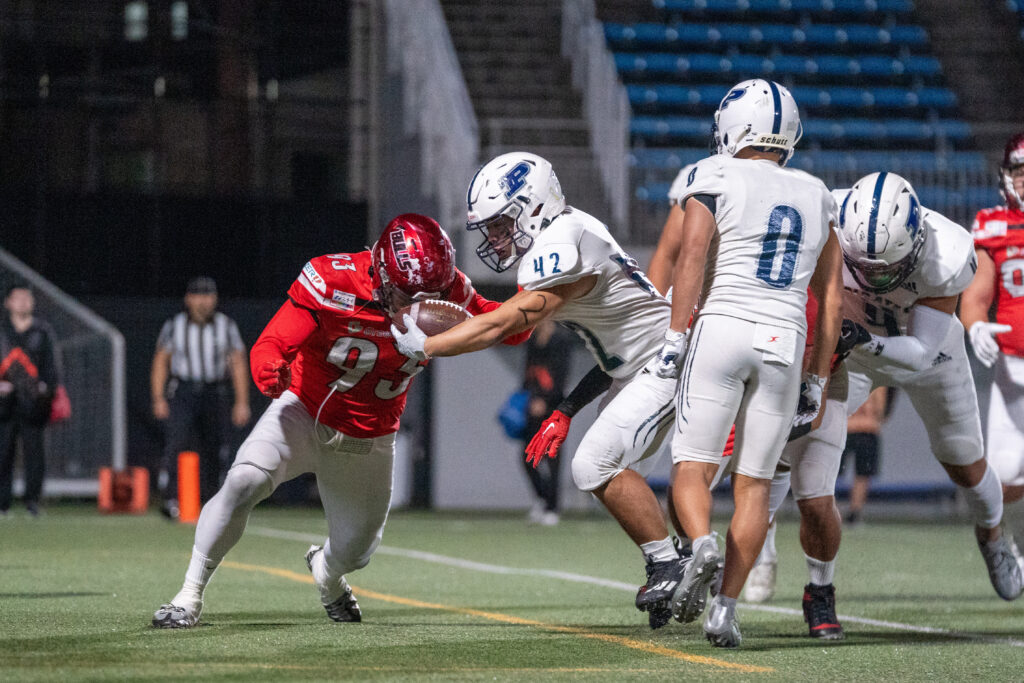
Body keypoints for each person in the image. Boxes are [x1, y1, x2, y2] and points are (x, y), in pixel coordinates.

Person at [152, 214, 527, 628]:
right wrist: (269, 365)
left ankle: (328, 575)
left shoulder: (450, 287)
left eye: (430, 296)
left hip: (370, 436)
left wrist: (535, 284)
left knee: (356, 552)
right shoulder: (333, 279)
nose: (417, 307)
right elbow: (272, 343)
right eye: (406, 295)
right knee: (244, 480)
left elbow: (513, 331)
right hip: (304, 410)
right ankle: (188, 595)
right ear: (381, 270)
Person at [393, 151, 690, 631]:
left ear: (532, 205)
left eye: (500, 224)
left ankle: (671, 565)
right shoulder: (571, 232)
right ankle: (677, 559)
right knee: (620, 478)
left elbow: (504, 323)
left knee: (592, 465)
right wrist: (567, 409)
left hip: (664, 362)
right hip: (640, 366)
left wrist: (428, 345)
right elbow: (615, 355)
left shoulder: (561, 241)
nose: (494, 238)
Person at [746, 171, 1024, 636]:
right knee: (792, 446)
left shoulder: (947, 252)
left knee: (965, 465)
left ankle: (993, 536)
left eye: (885, 268)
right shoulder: (824, 216)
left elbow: (919, 353)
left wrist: (862, 340)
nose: (875, 277)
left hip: (928, 354)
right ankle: (762, 551)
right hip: (852, 354)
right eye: (864, 267)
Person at [655, 78, 843, 648]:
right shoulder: (817, 192)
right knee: (756, 485)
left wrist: (675, 334)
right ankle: (726, 610)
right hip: (784, 339)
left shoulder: (713, 173)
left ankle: (700, 542)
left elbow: (691, 255)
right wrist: (818, 376)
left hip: (723, 325)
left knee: (692, 465)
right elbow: (831, 297)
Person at [961, 130, 1024, 547]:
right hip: (1014, 364)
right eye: (1020, 172)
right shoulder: (993, 224)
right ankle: (1014, 545)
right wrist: (976, 326)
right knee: (1005, 472)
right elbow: (976, 296)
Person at [151, 276, 251, 518]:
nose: (203, 301)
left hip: (214, 391)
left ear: (215, 299)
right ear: (188, 299)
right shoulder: (175, 325)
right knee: (176, 444)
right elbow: (161, 361)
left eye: (208, 296)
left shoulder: (226, 326)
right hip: (183, 391)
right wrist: (158, 397)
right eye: (198, 296)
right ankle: (172, 499)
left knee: (215, 447)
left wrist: (242, 402)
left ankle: (213, 500)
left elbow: (238, 363)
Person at [0, 283, 60, 517]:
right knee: (3, 452)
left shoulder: (42, 331)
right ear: (8, 302)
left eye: (27, 297)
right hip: (4, 405)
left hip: (33, 404)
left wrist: (46, 390)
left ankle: (32, 501)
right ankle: (2, 504)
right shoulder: (3, 331)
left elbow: (51, 368)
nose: (23, 302)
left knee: (34, 454)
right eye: (18, 297)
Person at [519, 319, 574, 526]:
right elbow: (527, 372)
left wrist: (545, 399)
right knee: (527, 455)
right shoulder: (532, 339)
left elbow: (561, 375)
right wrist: (526, 398)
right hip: (531, 404)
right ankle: (542, 498)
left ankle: (553, 507)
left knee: (552, 456)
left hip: (553, 406)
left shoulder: (561, 338)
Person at [841, 387, 891, 526]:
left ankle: (829, 510)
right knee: (862, 475)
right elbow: (879, 409)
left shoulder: (847, 379)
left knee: (832, 474)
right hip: (867, 430)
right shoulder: (877, 383)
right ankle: (854, 512)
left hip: (845, 428)